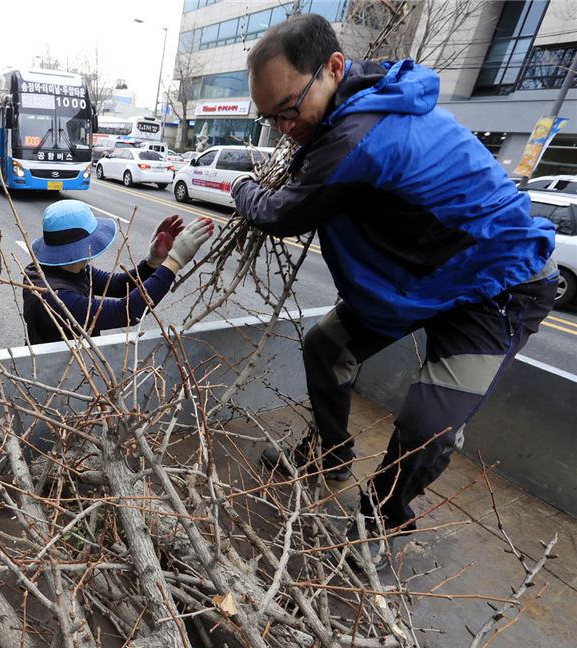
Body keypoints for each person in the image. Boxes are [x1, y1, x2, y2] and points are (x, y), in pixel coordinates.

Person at [229, 14, 556, 567]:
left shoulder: (362, 137)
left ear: (335, 68)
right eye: (270, 118)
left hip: (497, 284)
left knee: (428, 425)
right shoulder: (351, 110)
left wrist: (240, 186)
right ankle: (330, 455)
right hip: (425, 277)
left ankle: (380, 520)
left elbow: (282, 214)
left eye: (288, 108)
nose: (284, 125)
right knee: (325, 347)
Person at [23, 200, 213, 345]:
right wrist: (174, 261)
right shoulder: (53, 296)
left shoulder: (67, 267)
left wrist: (152, 262)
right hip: (60, 376)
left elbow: (117, 285)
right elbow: (127, 311)